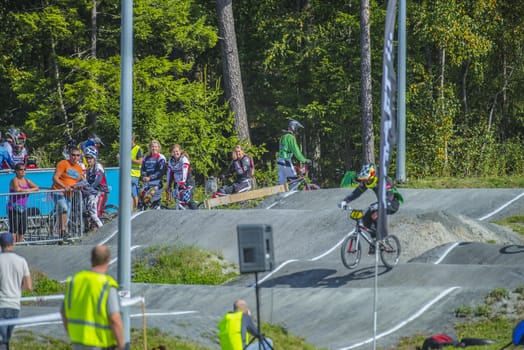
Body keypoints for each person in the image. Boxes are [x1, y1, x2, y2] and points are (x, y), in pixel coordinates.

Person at [61, 245, 124, 350]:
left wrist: (72, 333)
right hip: (100, 343)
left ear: (91, 259)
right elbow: (115, 319)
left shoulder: (75, 280)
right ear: (108, 260)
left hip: (78, 341)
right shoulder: (106, 284)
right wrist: (121, 344)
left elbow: (63, 312)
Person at [338, 163, 403, 254]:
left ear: (372, 175)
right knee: (366, 218)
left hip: (391, 202)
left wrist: (380, 205)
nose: (365, 182)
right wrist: (345, 201)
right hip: (381, 203)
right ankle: (375, 241)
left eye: (366, 179)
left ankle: (383, 238)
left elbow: (390, 194)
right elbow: (356, 193)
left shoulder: (384, 179)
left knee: (374, 213)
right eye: (363, 180)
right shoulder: (367, 181)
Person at [0, 232, 32, 350]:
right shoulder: (21, 261)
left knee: (3, 341)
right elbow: (28, 286)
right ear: (12, 244)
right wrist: (17, 288)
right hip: (14, 305)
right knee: (7, 339)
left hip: (1, 304)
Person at [52, 146, 85, 240]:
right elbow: (55, 178)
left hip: (69, 194)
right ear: (69, 155)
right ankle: (63, 231)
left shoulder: (79, 168)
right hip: (58, 191)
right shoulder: (63, 163)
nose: (75, 157)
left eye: (78, 155)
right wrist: (64, 186)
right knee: (64, 208)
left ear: (80, 157)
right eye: (73, 155)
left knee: (67, 214)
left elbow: (78, 182)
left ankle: (61, 236)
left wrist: (79, 186)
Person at [8, 163, 39, 243]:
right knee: (14, 228)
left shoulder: (27, 180)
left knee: (23, 228)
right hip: (14, 207)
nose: (23, 171)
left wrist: (28, 190)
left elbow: (36, 187)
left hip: (24, 207)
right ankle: (13, 245)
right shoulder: (14, 180)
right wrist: (28, 190)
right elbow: (17, 189)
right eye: (21, 169)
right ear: (16, 171)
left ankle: (20, 244)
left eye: (24, 169)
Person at [277, 120, 311, 185]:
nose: (297, 130)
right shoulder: (290, 137)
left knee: (281, 185)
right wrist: (304, 160)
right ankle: (292, 195)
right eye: (297, 128)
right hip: (286, 161)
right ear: (294, 127)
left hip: (279, 162)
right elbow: (296, 151)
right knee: (295, 182)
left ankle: (282, 195)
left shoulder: (283, 136)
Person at [82, 146, 108, 229]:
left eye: (90, 158)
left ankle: (102, 229)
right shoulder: (89, 169)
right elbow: (86, 182)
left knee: (93, 213)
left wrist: (89, 189)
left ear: (94, 158)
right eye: (87, 158)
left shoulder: (98, 166)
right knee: (84, 210)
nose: (88, 160)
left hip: (101, 192)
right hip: (93, 192)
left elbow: (97, 181)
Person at [165, 144, 197, 209]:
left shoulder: (184, 159)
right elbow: (169, 174)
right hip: (177, 183)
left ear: (180, 151)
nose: (175, 153)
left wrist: (183, 181)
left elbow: (185, 171)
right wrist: (168, 185)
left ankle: (197, 213)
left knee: (188, 199)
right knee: (178, 201)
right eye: (173, 152)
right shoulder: (170, 161)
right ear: (171, 153)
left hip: (187, 182)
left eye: (177, 151)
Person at [140, 140, 166, 207]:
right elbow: (143, 168)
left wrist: (150, 177)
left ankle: (156, 206)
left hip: (157, 183)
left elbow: (161, 171)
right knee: (141, 196)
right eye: (152, 146)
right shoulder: (146, 157)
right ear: (150, 148)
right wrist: (144, 176)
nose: (154, 148)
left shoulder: (161, 157)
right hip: (147, 183)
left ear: (158, 147)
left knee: (151, 197)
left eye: (156, 147)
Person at [130, 134, 143, 210]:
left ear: (133, 139)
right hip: (126, 174)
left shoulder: (138, 149)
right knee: (130, 192)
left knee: (133, 192)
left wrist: (131, 159)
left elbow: (141, 162)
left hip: (134, 174)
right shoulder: (126, 148)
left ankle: (135, 208)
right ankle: (133, 208)